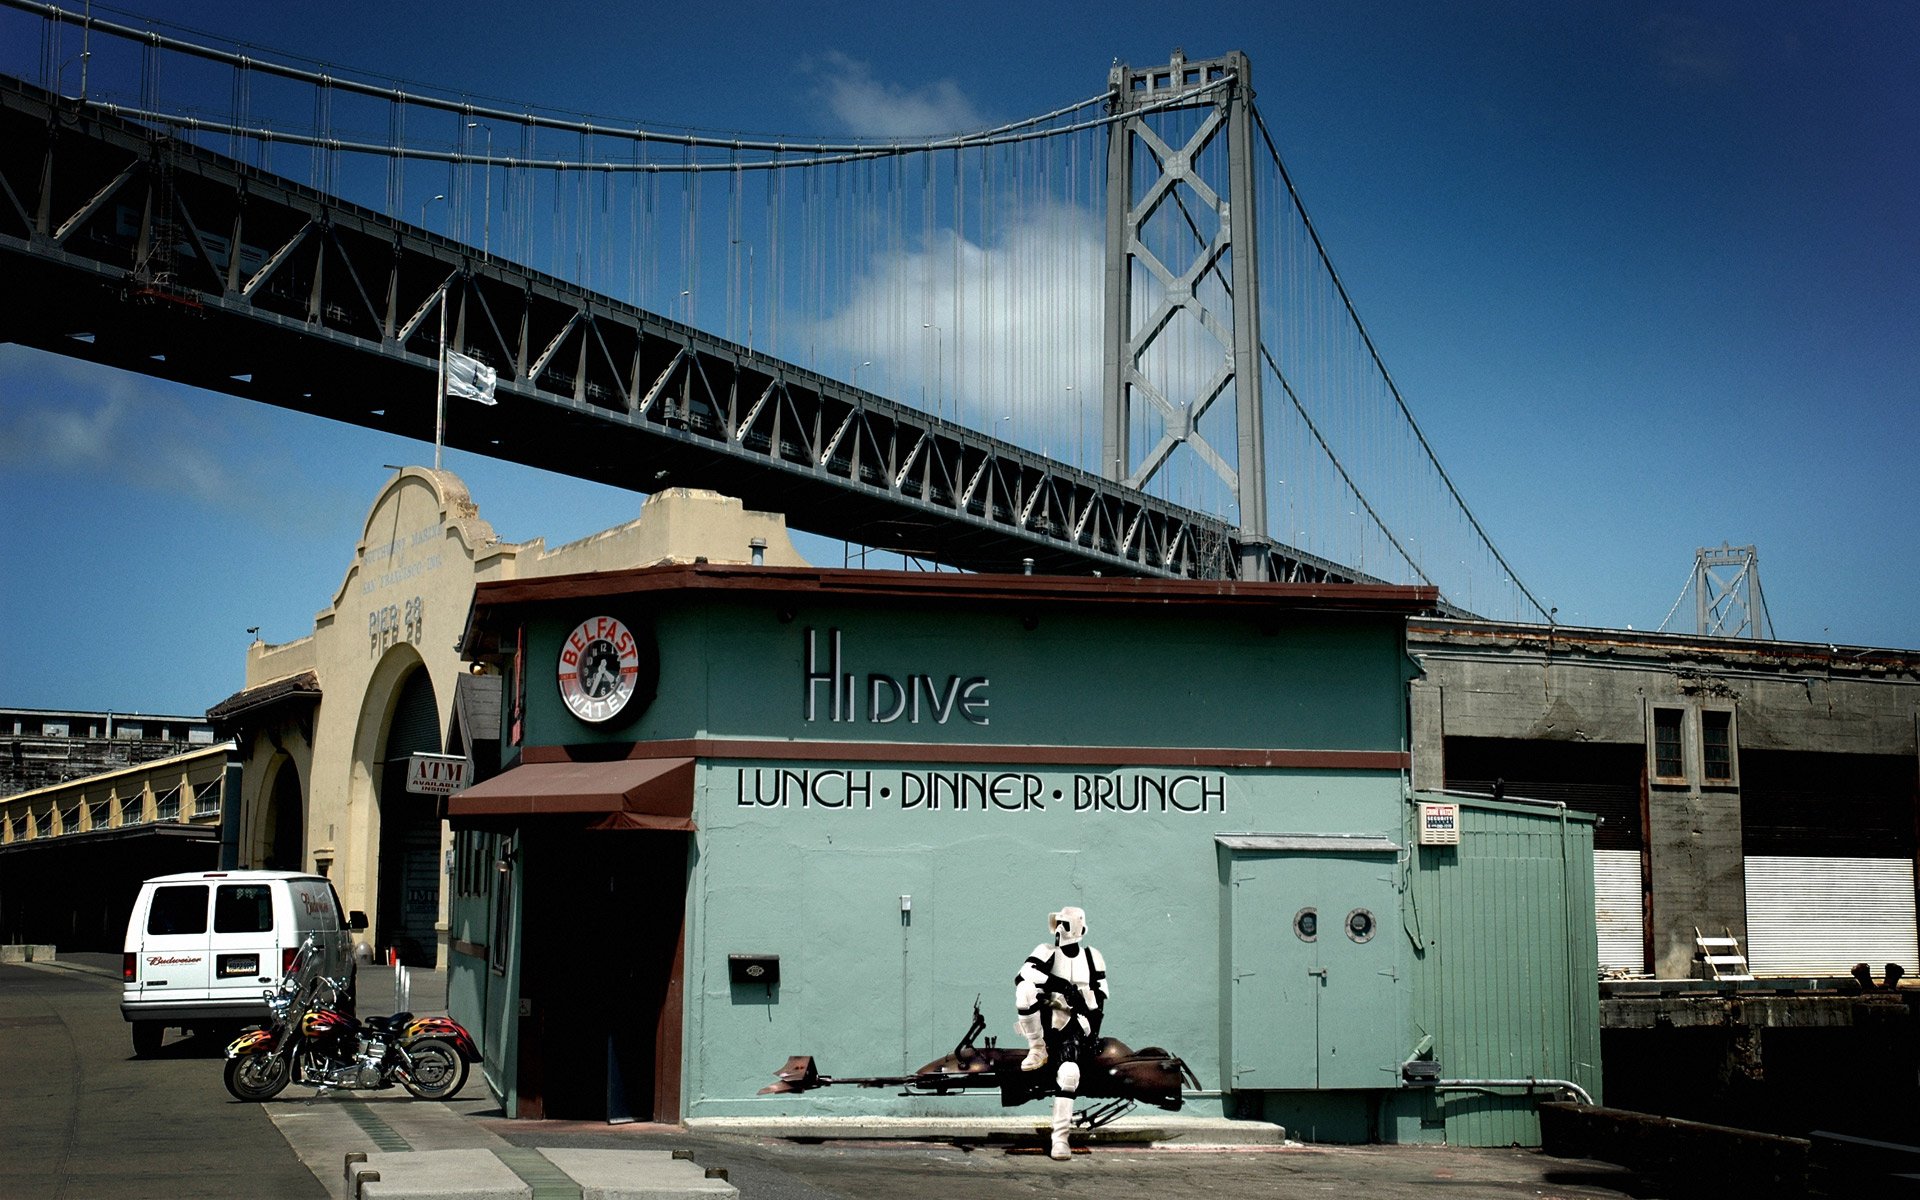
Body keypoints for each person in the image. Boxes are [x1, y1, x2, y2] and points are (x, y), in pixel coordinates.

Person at [1013, 905, 1107, 1160]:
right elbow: (1024, 975)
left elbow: (1099, 1001)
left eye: (1066, 924)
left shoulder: (1092, 957)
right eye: (1058, 923)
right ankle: (1037, 1049)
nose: (1060, 929)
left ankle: (1060, 1139)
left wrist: (1092, 1031)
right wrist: (1063, 985)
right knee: (1024, 990)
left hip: (1075, 1029)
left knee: (1069, 1073)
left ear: (1080, 929)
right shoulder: (1046, 952)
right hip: (1045, 1024)